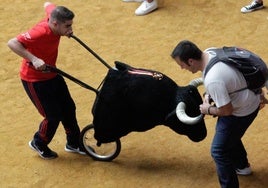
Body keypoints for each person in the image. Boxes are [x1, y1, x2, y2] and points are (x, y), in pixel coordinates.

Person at [171, 40, 263, 188]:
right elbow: (227, 80)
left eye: (181, 64)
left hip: (242, 111)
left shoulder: (213, 79)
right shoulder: (209, 52)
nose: (182, 68)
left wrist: (207, 109)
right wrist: (210, 95)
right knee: (228, 135)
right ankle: (242, 166)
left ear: (191, 61)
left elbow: (227, 111)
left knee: (218, 150)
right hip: (250, 97)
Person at [7, 2, 85, 160]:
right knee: (53, 116)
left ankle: (74, 143)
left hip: (51, 74)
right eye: (67, 26)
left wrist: (62, 27)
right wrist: (34, 59)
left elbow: (48, 4)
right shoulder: (40, 33)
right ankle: (38, 142)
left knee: (69, 108)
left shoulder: (55, 17)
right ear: (55, 24)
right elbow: (12, 43)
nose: (71, 30)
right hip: (34, 80)